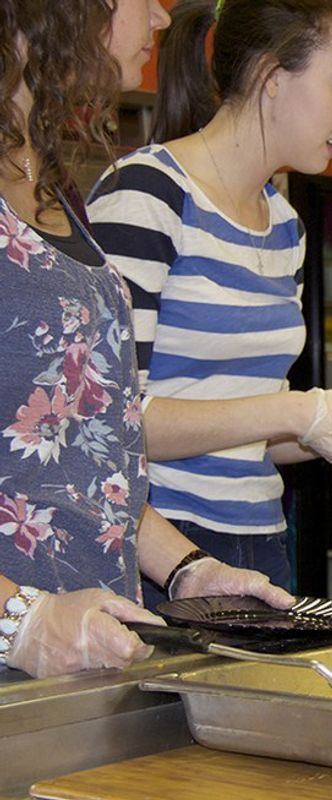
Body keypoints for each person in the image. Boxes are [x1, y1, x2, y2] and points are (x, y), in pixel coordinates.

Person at [86, 0, 332, 609]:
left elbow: (253, 433)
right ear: (273, 79)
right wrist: (302, 411)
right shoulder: (144, 197)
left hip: (261, 542)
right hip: (158, 550)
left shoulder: (286, 227)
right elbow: (107, 423)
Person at [0, 0, 294, 679]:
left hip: (82, 658)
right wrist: (19, 620)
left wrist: (187, 568)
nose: (162, 20)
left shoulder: (47, 178)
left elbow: (87, 459)